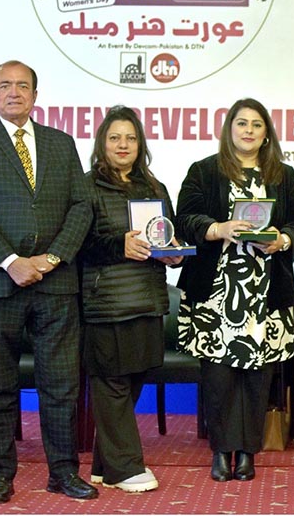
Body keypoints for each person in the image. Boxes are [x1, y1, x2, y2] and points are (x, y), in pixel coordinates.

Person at [0, 60, 96, 503]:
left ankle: (64, 473)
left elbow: (81, 207)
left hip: (54, 284)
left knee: (61, 386)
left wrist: (51, 259)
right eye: (5, 85)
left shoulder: (61, 143)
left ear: (36, 94)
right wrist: (11, 261)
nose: (14, 92)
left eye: (23, 85)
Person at [173, 98, 294, 482]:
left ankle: (248, 453)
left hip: (265, 295)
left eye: (256, 124)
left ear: (266, 133)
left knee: (257, 380)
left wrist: (282, 239)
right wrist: (219, 229)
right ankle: (221, 451)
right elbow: (184, 219)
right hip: (215, 295)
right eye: (241, 123)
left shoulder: (282, 175)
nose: (248, 130)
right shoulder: (204, 171)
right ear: (229, 129)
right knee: (219, 379)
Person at [79, 106, 184, 492]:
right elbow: (79, 245)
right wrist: (118, 245)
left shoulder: (155, 189)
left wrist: (172, 254)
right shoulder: (84, 186)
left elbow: (164, 239)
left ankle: (105, 465)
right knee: (111, 383)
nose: (123, 145)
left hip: (147, 298)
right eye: (114, 138)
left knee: (134, 377)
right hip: (104, 302)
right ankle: (125, 468)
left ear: (140, 145)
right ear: (101, 144)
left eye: (131, 138)